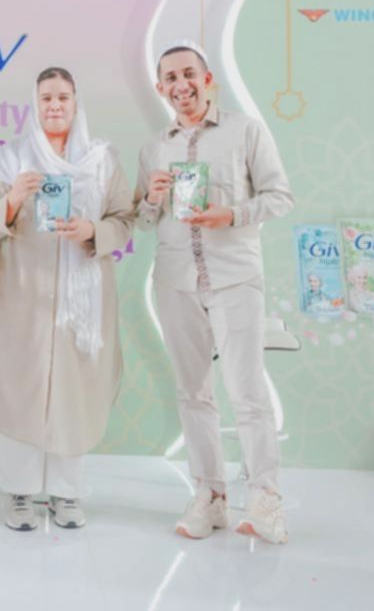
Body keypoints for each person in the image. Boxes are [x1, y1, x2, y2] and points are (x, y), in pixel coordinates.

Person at [134, 41, 294, 545]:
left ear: (207, 80)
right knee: (193, 392)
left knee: (247, 392)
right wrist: (152, 197)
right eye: (170, 78)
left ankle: (265, 498)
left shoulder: (246, 130)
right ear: (160, 88)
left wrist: (232, 215)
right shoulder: (153, 148)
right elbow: (143, 221)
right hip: (175, 280)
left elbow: (280, 196)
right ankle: (210, 495)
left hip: (234, 276)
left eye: (189, 74)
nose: (180, 84)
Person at [0, 66, 133, 532]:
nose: (54, 105)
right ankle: (20, 492)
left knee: (74, 390)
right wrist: (13, 197)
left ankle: (67, 493)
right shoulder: (11, 158)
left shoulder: (101, 160)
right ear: (35, 103)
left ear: (75, 102)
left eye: (63, 97)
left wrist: (92, 230)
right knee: (20, 386)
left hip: (81, 299)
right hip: (19, 292)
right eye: (46, 97)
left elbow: (124, 219)